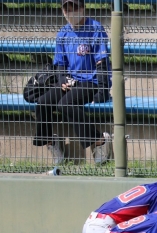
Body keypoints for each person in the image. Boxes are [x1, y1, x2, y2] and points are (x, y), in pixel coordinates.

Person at [33, 0, 112, 166]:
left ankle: (100, 140)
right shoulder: (63, 33)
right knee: (43, 102)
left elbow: (102, 63)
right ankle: (51, 142)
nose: (70, 13)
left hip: (90, 81)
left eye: (74, 8)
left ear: (83, 8)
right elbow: (60, 64)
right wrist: (62, 80)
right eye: (66, 9)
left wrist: (102, 91)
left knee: (65, 104)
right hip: (71, 81)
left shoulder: (95, 28)